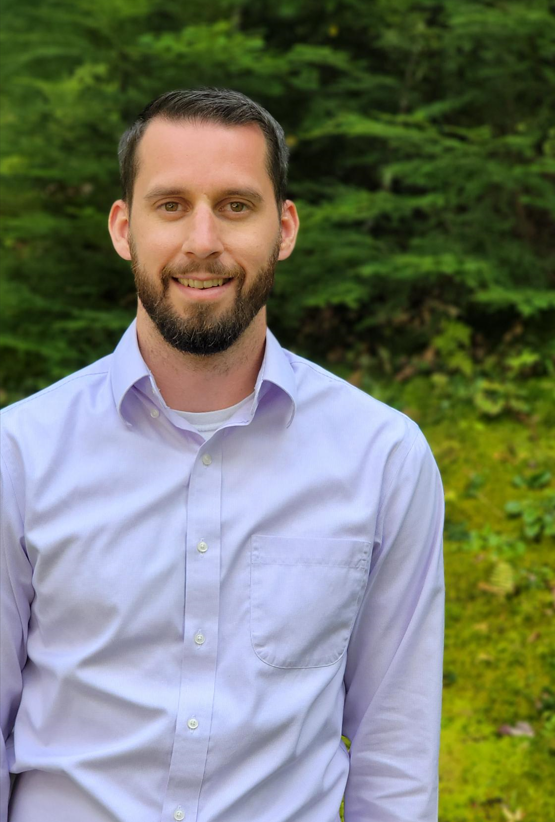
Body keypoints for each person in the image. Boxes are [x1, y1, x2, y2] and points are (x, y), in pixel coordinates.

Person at [0, 88, 445, 822]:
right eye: (170, 205)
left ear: (285, 228)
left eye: (236, 206)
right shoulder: (19, 454)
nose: (201, 241)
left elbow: (392, 747)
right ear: (124, 228)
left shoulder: (381, 457)